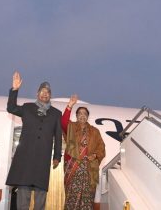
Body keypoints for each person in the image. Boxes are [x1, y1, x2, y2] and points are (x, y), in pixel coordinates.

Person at [6, 71, 62, 210]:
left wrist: (57, 157)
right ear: (37, 93)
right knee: (23, 194)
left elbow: (58, 136)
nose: (45, 94)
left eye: (48, 92)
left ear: (50, 96)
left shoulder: (56, 114)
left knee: (40, 195)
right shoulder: (27, 108)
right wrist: (15, 89)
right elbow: (11, 108)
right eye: (42, 91)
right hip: (25, 157)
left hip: (42, 160)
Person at [61, 94, 105, 210]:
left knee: (87, 201)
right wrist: (70, 106)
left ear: (87, 117)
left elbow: (101, 148)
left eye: (84, 114)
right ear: (76, 116)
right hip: (73, 169)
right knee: (71, 199)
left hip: (89, 170)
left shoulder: (95, 132)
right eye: (80, 113)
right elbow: (63, 122)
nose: (82, 116)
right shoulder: (71, 127)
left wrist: (95, 155)